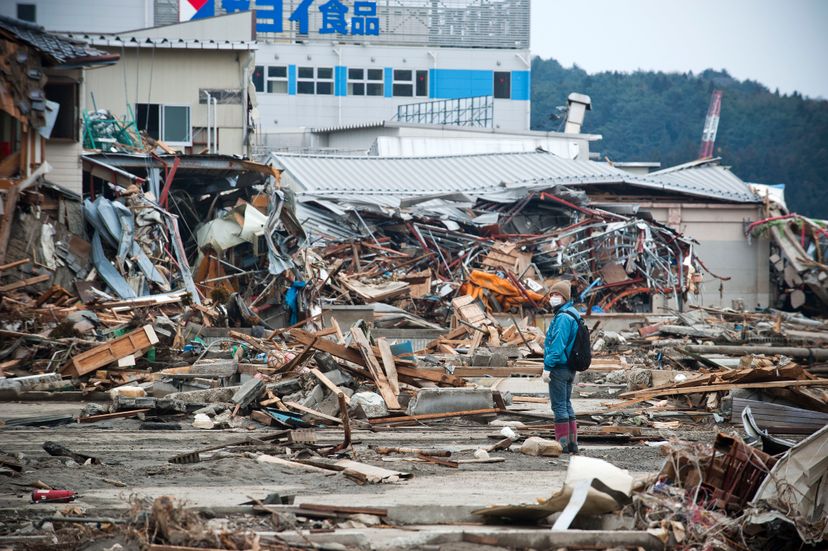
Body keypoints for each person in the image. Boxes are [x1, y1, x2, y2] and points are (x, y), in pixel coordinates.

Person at [541, 280, 579, 454]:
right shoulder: (572, 313)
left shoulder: (563, 317)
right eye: (552, 295)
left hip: (559, 367)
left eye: (557, 295)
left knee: (559, 407)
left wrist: (548, 366)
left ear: (565, 297)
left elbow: (557, 345)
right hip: (569, 367)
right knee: (566, 404)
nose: (553, 298)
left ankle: (563, 445)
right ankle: (572, 445)